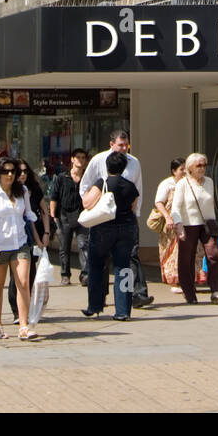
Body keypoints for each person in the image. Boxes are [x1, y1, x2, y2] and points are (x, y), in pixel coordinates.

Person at [80, 130, 153, 308]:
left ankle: (133, 296)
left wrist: (135, 216)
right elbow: (85, 186)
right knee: (118, 267)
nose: (124, 148)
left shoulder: (133, 163)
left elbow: (139, 192)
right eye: (120, 145)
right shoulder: (98, 161)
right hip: (107, 220)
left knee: (123, 262)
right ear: (111, 145)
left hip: (121, 224)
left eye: (126, 145)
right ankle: (120, 306)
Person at [0, 156, 43, 340]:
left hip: (20, 243)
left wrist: (40, 237)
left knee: (23, 281)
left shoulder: (22, 191)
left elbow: (29, 216)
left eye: (13, 171)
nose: (10, 174)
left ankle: (24, 326)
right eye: (5, 171)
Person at [81, 150, 140, 321]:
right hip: (127, 228)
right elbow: (133, 208)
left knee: (97, 266)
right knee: (124, 268)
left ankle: (95, 306)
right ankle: (123, 310)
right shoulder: (130, 186)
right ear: (124, 167)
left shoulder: (102, 182)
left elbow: (86, 202)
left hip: (103, 228)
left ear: (107, 166)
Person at [171, 153, 218, 305]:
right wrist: (179, 225)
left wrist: (214, 223)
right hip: (188, 224)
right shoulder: (183, 184)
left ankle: (215, 291)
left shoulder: (209, 182)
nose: (203, 168)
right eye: (199, 165)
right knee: (186, 259)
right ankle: (189, 293)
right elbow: (175, 207)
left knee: (214, 255)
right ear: (190, 168)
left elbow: (210, 204)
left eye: (204, 165)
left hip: (207, 224)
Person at [8, 161, 52, 321]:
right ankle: (16, 312)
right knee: (16, 275)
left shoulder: (32, 190)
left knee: (29, 273)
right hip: (16, 237)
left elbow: (43, 211)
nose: (22, 175)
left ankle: (26, 309)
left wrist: (46, 233)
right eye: (19, 172)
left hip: (34, 236)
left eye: (25, 171)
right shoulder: (9, 191)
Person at [49, 148, 89, 286]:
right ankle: (65, 275)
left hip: (82, 215)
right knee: (64, 247)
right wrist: (53, 215)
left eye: (83, 157)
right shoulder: (62, 177)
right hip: (64, 216)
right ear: (72, 159)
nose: (80, 160)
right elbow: (53, 196)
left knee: (83, 244)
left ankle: (85, 275)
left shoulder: (87, 178)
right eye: (78, 157)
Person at [153, 159, 188, 292]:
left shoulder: (188, 183)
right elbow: (159, 202)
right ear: (174, 171)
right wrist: (168, 218)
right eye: (181, 169)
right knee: (171, 251)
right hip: (171, 223)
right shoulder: (167, 184)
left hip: (186, 221)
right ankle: (174, 282)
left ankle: (186, 280)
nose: (184, 172)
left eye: (186, 169)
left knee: (186, 251)